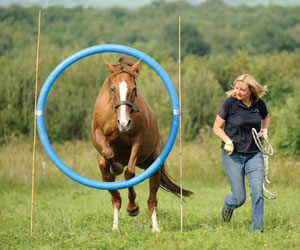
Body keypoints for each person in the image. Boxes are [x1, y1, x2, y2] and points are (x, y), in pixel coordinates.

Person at [213, 74, 270, 232]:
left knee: (258, 192)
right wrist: (227, 140)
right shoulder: (229, 104)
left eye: (242, 90)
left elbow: (266, 117)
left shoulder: (259, 104)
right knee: (239, 197)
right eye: (237, 88)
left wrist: (264, 130)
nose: (238, 92)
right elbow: (216, 127)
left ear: (251, 91)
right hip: (233, 155)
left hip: (254, 153)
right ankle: (228, 206)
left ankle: (257, 229)